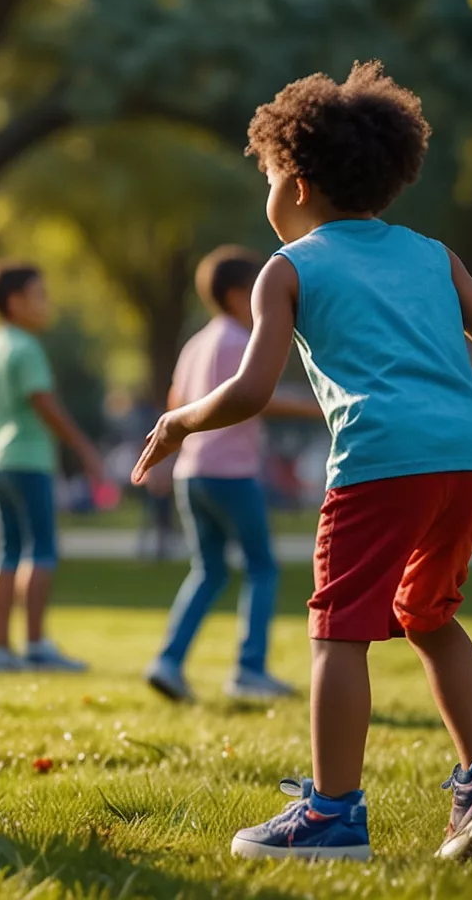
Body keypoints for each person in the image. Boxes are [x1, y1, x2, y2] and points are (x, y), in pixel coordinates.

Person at [132, 63, 472, 862]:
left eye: (266, 176)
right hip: (469, 458)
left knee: (338, 631)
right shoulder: (433, 254)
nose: (266, 193)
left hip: (381, 460)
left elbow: (251, 388)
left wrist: (179, 420)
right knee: (429, 614)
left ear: (296, 184)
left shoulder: (289, 268)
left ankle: (333, 814)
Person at [144, 245, 321, 705]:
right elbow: (258, 397)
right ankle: (249, 668)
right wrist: (321, 406)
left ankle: (168, 660)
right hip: (232, 474)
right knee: (262, 566)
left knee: (208, 570)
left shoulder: (197, 343)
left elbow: (175, 401)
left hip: (193, 473)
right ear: (241, 293)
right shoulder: (239, 342)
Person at [0, 262, 109, 674]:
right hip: (28, 461)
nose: (46, 304)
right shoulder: (25, 348)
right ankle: (37, 644)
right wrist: (83, 448)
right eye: (38, 296)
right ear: (14, 302)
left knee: (6, 551)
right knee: (40, 549)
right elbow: (44, 402)